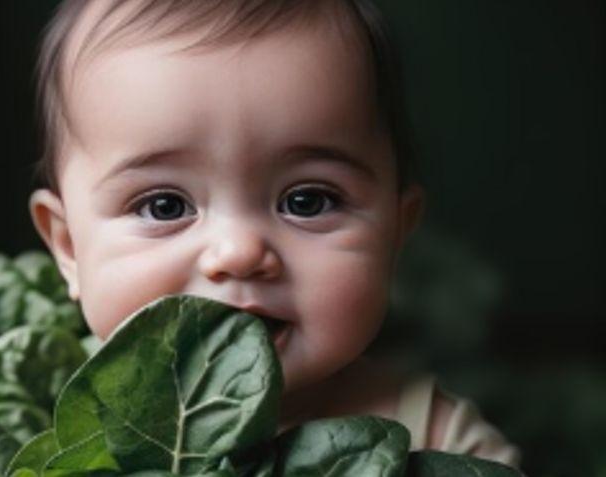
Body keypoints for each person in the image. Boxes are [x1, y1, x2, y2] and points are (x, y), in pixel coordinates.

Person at [28, 0, 520, 467]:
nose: (240, 252)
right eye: (165, 206)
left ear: (396, 233)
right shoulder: (33, 425)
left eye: (307, 202)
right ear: (69, 248)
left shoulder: (443, 447)